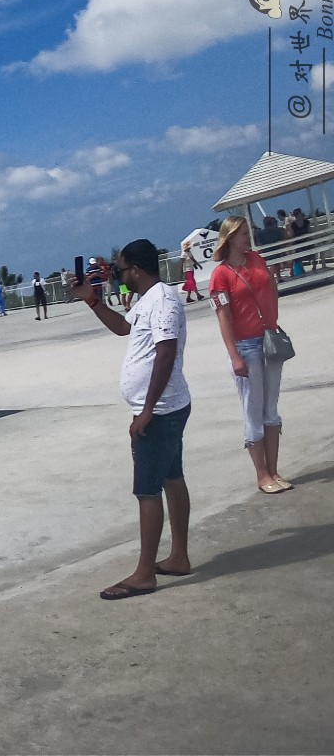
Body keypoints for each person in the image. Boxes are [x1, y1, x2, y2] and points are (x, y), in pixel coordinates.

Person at [79, 239, 194, 600]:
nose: (119, 275)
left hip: (159, 412)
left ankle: (145, 573)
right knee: (172, 477)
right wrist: (92, 300)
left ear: (136, 270)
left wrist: (146, 412)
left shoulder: (162, 300)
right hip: (163, 408)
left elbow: (166, 352)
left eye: (121, 269)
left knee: (147, 491)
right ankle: (178, 557)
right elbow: (122, 328)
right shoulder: (147, 300)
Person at [207, 217, 289, 494]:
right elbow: (223, 316)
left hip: (269, 340)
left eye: (248, 233)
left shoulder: (257, 260)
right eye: (243, 234)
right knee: (253, 411)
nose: (248, 238)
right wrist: (234, 356)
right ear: (229, 238)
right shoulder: (221, 274)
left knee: (271, 409)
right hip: (246, 346)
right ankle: (262, 474)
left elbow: (272, 289)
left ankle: (274, 470)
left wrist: (273, 321)